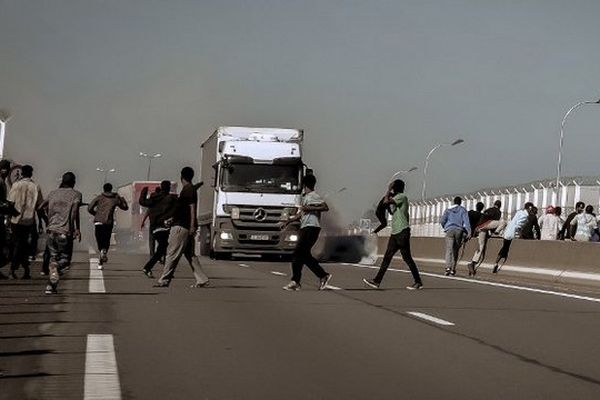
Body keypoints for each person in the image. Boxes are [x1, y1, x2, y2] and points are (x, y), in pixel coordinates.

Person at [363, 179, 423, 290]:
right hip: (396, 232)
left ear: (396, 188)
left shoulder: (401, 197)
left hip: (402, 232)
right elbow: (390, 209)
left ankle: (418, 281)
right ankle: (377, 281)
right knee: (388, 258)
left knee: (407, 258)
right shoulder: (398, 198)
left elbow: (386, 202)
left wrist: (388, 189)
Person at [154, 167, 209, 288]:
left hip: (181, 227)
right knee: (190, 254)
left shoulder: (188, 190)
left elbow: (192, 208)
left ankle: (164, 280)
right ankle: (202, 279)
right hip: (184, 225)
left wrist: (192, 225)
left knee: (172, 253)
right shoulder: (189, 189)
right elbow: (183, 209)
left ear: (181, 177)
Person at [282, 174, 332, 291]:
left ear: (304, 185)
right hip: (305, 227)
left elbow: (325, 207)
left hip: (312, 228)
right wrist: (290, 220)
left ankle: (296, 281)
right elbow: (302, 213)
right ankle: (319, 276)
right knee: (302, 255)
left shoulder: (314, 196)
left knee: (298, 253)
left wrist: (310, 208)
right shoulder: (306, 197)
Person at [39, 172, 82, 294]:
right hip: (65, 232)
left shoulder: (53, 193)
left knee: (53, 258)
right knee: (64, 260)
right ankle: (55, 268)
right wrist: (76, 229)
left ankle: (50, 287)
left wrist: (47, 220)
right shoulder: (76, 194)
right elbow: (74, 212)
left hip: (51, 231)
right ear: (74, 182)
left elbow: (40, 207)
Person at [7, 165, 44, 279]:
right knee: (22, 245)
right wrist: (42, 223)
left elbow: (10, 203)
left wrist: (9, 219)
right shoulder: (36, 186)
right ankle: (25, 270)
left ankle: (13, 269)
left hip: (16, 221)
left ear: (22, 173)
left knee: (18, 245)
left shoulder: (16, 185)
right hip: (29, 221)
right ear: (31, 174)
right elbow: (39, 207)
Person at [139, 180, 177, 278]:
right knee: (164, 248)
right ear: (168, 188)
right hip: (165, 227)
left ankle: (160, 269)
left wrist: (144, 191)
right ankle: (149, 267)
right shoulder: (171, 199)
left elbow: (142, 202)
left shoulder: (154, 198)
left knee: (162, 248)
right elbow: (181, 206)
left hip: (155, 227)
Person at [87, 183, 128, 269]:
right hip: (108, 222)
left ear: (104, 189)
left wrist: (96, 214)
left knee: (99, 240)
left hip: (98, 222)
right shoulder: (115, 199)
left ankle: (101, 253)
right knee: (106, 240)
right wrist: (122, 198)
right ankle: (103, 255)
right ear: (111, 189)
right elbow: (125, 207)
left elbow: (89, 208)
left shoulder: (99, 197)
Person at [492, 202, 534, 274]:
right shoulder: (525, 216)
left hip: (508, 231)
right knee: (506, 248)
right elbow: (518, 226)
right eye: (531, 209)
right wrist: (520, 233)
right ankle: (500, 262)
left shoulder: (519, 212)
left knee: (504, 248)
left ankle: (496, 263)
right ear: (529, 208)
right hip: (513, 234)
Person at [467, 200, 504, 275]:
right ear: (500, 206)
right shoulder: (498, 212)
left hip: (479, 227)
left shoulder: (488, 210)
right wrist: (493, 232)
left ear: (494, 204)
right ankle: (496, 233)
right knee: (503, 222)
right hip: (486, 225)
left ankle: (473, 263)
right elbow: (493, 223)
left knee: (481, 246)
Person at [440, 196, 471, 276]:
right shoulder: (463, 210)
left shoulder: (448, 210)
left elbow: (442, 221)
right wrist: (469, 232)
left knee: (449, 250)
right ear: (460, 202)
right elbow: (466, 222)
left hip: (449, 230)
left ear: (453, 202)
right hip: (459, 231)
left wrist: (445, 227)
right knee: (455, 250)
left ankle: (448, 268)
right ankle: (453, 269)